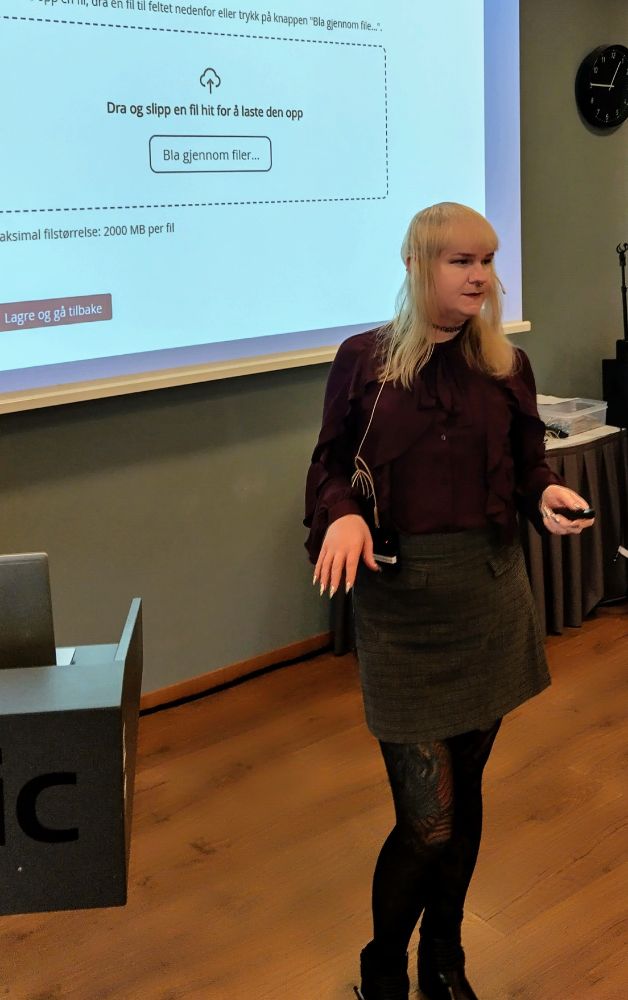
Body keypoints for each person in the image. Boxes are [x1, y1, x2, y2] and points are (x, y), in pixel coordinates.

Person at [303, 203, 595, 1000]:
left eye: (489, 261)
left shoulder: (507, 366)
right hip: (402, 608)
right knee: (427, 817)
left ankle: (445, 958)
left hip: (489, 595)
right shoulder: (364, 362)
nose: (482, 277)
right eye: (462, 261)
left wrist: (546, 498)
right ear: (417, 264)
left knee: (464, 795)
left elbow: (528, 463)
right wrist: (345, 514)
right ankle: (381, 970)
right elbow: (330, 467)